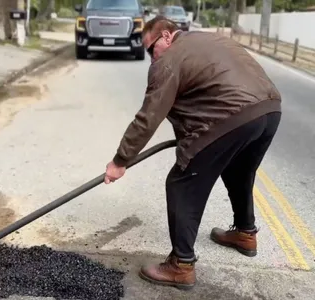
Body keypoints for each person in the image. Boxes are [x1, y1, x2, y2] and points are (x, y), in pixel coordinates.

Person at [104, 15, 282, 290]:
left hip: (232, 115)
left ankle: (181, 265)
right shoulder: (208, 39)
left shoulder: (169, 60)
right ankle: (246, 233)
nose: (151, 58)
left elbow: (148, 117)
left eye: (151, 49)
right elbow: (204, 94)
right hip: (268, 110)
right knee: (239, 172)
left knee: (182, 182)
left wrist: (120, 160)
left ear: (166, 36)